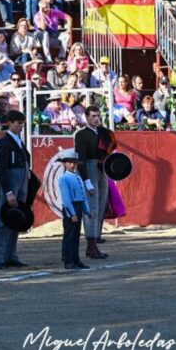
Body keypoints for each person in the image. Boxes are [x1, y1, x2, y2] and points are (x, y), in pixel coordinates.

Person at [0, 109, 31, 270]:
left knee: (17, 218)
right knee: (2, 219)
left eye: (22, 123)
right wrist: (7, 191)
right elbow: (1, 169)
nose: (21, 126)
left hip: (21, 180)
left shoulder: (17, 140)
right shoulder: (5, 142)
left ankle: (10, 255)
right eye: (19, 123)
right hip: (11, 182)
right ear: (10, 123)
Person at [74, 106, 116, 259]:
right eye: (93, 116)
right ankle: (90, 245)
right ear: (86, 117)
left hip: (102, 169)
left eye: (98, 116)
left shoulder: (104, 133)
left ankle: (95, 241)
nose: (96, 119)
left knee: (100, 206)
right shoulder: (81, 135)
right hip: (90, 169)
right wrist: (86, 181)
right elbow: (80, 160)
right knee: (91, 208)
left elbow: (111, 151)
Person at [57, 149, 91, 270]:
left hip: (78, 207)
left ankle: (76, 260)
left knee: (76, 236)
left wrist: (86, 210)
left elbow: (83, 197)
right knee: (70, 236)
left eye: (74, 162)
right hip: (71, 209)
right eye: (69, 162)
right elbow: (66, 199)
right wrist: (72, 213)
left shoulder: (77, 177)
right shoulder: (64, 178)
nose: (72, 164)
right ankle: (68, 261)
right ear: (64, 164)